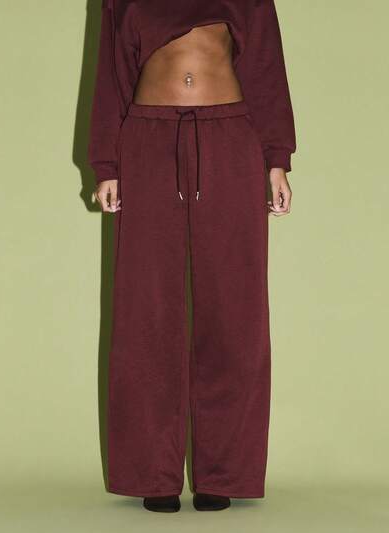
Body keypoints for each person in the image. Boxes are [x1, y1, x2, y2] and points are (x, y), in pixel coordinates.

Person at [88, 0, 296, 513]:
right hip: (146, 140)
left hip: (230, 140)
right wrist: (107, 165)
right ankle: (151, 473)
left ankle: (222, 473)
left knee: (235, 308)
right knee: (145, 312)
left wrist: (276, 161)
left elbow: (265, 68)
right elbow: (111, 74)